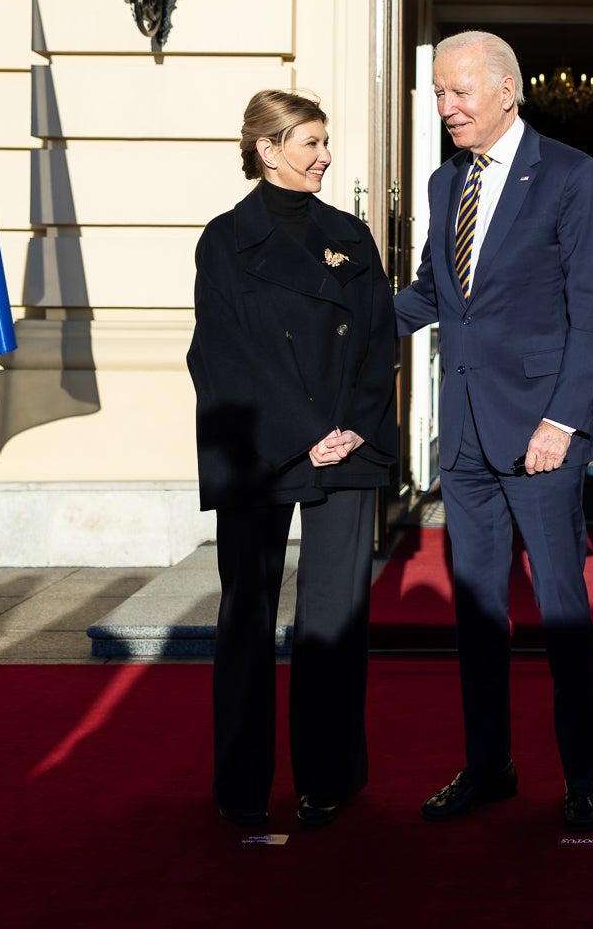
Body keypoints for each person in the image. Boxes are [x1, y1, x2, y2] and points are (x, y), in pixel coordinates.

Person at [394, 31, 593, 831]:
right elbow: (433, 293)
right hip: (463, 437)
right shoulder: (442, 181)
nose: (446, 107)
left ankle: (583, 775)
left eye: (458, 92)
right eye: (439, 92)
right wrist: (340, 320)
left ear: (505, 92)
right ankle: (489, 765)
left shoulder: (570, 174)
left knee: (560, 610)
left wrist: (562, 421)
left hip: (542, 435)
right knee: (478, 614)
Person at [187, 90, 397, 828]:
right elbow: (224, 352)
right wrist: (304, 431)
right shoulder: (224, 240)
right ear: (267, 149)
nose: (326, 156)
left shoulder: (351, 233)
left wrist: (350, 428)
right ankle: (241, 786)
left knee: (334, 619)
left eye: (325, 141)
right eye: (310, 143)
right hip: (263, 444)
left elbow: (377, 341)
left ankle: (328, 778)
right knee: (247, 615)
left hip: (349, 442)